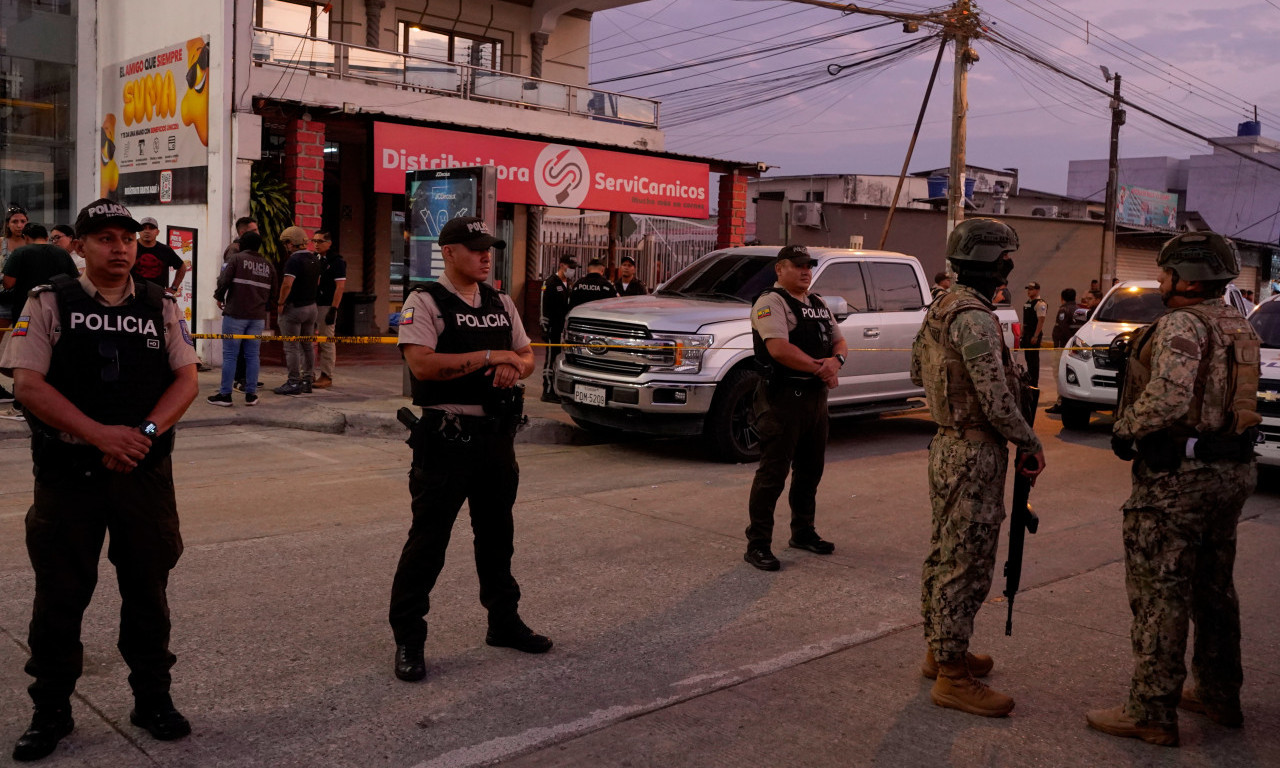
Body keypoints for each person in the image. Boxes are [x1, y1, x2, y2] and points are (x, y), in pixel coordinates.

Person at [2, 198, 199, 761]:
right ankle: (52, 711)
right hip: (69, 474)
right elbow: (28, 385)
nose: (120, 248)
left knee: (147, 592)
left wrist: (141, 432)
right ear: (81, 247)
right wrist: (100, 435)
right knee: (60, 595)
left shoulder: (161, 303)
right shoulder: (48, 302)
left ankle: (152, 699)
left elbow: (186, 380)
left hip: (142, 471)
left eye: (128, 239)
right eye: (106, 238)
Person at [1086, 232, 1260, 747]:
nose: (1161, 281)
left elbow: (1166, 396)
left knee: (1161, 592)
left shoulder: (1183, 323)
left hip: (1179, 479)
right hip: (1230, 472)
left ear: (1187, 277)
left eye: (1166, 273)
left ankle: (1151, 711)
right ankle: (1218, 693)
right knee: (1213, 587)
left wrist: (1124, 429)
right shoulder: (1236, 323)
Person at [388, 216, 548, 684]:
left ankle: (503, 622)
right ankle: (409, 638)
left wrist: (513, 367)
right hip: (446, 439)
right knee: (428, 543)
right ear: (449, 251)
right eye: (475, 248)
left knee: (498, 537)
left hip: (496, 439)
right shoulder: (425, 301)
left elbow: (527, 356)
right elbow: (422, 365)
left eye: (489, 249)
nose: (485, 256)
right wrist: (489, 357)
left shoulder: (499, 301)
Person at [909, 217, 1045, 718]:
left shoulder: (942, 307)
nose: (1010, 265)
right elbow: (996, 399)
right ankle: (951, 675)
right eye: (1005, 257)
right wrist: (1030, 442)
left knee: (946, 551)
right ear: (992, 261)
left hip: (947, 445)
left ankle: (941, 648)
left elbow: (916, 371)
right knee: (966, 560)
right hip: (974, 451)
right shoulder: (974, 317)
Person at [743, 244, 849, 571]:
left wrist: (837, 361)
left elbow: (839, 341)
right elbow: (778, 349)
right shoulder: (770, 302)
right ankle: (757, 544)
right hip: (782, 399)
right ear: (780, 269)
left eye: (809, 266)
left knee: (810, 471)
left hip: (815, 401)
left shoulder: (817, 303)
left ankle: (803, 532)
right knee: (773, 474)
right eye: (798, 265)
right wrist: (822, 369)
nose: (806, 271)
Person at [208, 231, 274, 407]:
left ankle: (225, 395)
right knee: (253, 356)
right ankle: (251, 395)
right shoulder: (268, 265)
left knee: (230, 355)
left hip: (235, 315)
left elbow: (224, 281)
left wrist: (218, 297)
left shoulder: (236, 260)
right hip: (257, 318)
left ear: (242, 244)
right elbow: (273, 292)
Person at [273, 226, 322, 396]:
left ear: (290, 243)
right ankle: (307, 380)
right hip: (312, 307)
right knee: (307, 345)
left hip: (294, 308)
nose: (286, 247)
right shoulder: (315, 259)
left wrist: (280, 302)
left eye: (286, 243)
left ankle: (293, 382)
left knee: (291, 346)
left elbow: (287, 284)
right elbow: (317, 282)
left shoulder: (294, 261)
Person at [223, 217, 260, 392]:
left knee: (250, 350)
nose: (258, 233)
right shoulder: (234, 250)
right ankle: (239, 380)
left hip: (252, 307)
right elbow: (226, 276)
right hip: (237, 307)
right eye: (254, 231)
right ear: (243, 232)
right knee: (234, 351)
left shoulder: (254, 253)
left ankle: (249, 379)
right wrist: (220, 295)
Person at [312, 231, 347, 389]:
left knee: (326, 341)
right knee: (308, 340)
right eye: (314, 241)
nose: (317, 244)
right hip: (312, 304)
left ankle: (326, 375)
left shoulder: (336, 262)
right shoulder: (314, 259)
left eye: (320, 241)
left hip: (327, 305)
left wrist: (334, 309)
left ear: (329, 243)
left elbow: (339, 287)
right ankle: (308, 373)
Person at [539, 254, 576, 403]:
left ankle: (557, 389)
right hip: (552, 328)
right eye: (570, 267)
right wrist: (544, 326)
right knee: (550, 359)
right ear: (562, 265)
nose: (572, 270)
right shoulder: (550, 282)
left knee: (559, 360)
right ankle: (547, 391)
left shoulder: (569, 284)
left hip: (563, 329)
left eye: (574, 268)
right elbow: (543, 305)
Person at [131, 217, 188, 294]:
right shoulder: (130, 247)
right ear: (139, 232)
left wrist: (174, 288)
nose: (147, 231)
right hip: (132, 294)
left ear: (157, 232)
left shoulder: (165, 250)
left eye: (151, 228)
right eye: (143, 228)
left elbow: (182, 267)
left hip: (156, 296)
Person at [1021, 281, 1047, 387]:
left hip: (1033, 334)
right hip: (1027, 334)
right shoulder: (1027, 303)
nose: (1029, 291)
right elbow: (1025, 321)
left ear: (1037, 290)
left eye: (1031, 289)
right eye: (1028, 289)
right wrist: (1022, 334)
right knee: (1028, 358)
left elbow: (1041, 321)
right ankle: (1030, 381)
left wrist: (1036, 336)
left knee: (1034, 360)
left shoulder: (1040, 304)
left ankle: (1034, 384)